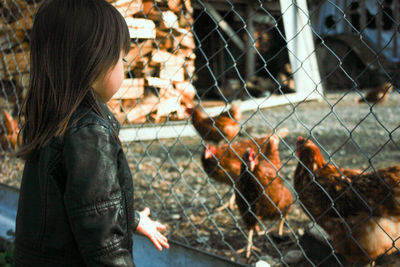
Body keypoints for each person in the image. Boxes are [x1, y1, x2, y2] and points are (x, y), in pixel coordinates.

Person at [14, 0, 169, 265]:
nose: (124, 67)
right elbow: (105, 248)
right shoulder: (89, 133)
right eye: (121, 59)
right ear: (94, 62)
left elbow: (84, 201)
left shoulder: (52, 119)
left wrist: (132, 218)